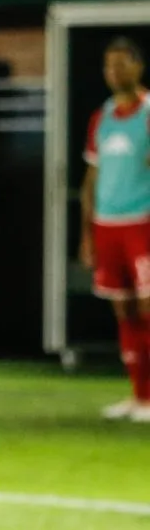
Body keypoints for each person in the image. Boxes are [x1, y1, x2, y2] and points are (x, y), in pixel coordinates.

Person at [81, 38, 150, 421]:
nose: (115, 72)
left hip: (143, 223)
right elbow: (92, 177)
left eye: (122, 64)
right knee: (124, 311)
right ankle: (138, 395)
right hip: (108, 225)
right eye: (109, 66)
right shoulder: (102, 117)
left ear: (138, 67)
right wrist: (87, 233)